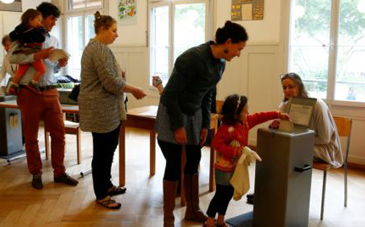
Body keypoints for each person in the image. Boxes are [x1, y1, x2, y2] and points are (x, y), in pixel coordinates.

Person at [155, 20, 248, 227]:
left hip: (195, 114)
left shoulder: (221, 63)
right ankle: (168, 218)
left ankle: (193, 209)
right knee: (173, 163)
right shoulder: (191, 58)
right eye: (238, 49)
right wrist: (178, 126)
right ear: (228, 42)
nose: (239, 54)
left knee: (194, 158)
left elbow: (208, 94)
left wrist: (205, 124)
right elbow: (169, 96)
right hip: (174, 113)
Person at [79, 12, 146, 210]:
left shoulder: (100, 49)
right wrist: (133, 89)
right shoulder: (98, 49)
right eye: (114, 31)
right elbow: (110, 82)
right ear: (102, 29)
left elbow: (108, 76)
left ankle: (106, 185)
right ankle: (101, 194)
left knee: (108, 150)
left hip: (106, 109)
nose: (116, 35)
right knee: (102, 153)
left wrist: (120, 75)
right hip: (101, 110)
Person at [9, 2, 79, 189]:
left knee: (59, 134)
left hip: (50, 90)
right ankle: (36, 173)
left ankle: (59, 172)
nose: (54, 22)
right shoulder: (23, 36)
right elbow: (12, 58)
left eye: (56, 19)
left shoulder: (54, 40)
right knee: (31, 137)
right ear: (40, 17)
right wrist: (37, 56)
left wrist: (59, 65)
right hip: (29, 92)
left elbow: (51, 67)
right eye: (51, 18)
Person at [205, 94, 290, 227]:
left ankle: (220, 219)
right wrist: (234, 151)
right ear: (235, 114)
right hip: (223, 169)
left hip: (235, 168)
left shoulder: (246, 122)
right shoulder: (226, 129)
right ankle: (209, 221)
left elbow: (261, 116)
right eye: (245, 111)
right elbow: (216, 144)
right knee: (220, 194)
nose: (248, 113)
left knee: (228, 194)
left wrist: (278, 114)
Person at [275, 73, 343, 167]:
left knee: (290, 152)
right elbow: (286, 130)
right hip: (301, 143)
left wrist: (298, 140)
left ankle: (295, 181)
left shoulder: (317, 105)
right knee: (278, 148)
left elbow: (325, 139)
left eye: (291, 87)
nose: (287, 90)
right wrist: (277, 125)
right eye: (284, 87)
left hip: (323, 148)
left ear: (300, 87)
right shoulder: (286, 105)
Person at [8, 9, 47, 94]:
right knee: (42, 69)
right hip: (33, 52)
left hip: (23, 52)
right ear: (30, 19)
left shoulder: (19, 29)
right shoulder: (35, 30)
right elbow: (42, 38)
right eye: (38, 20)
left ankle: (14, 84)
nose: (39, 23)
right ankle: (33, 83)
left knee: (21, 70)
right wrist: (41, 28)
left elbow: (11, 35)